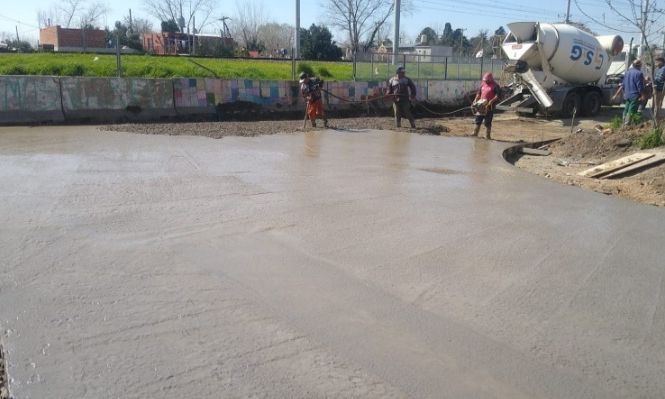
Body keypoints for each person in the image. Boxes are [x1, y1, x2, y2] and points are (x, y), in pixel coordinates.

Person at [471, 72, 500, 139]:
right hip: (480, 105)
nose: (486, 81)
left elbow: (497, 96)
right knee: (478, 119)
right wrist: (475, 100)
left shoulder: (495, 86)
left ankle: (487, 136)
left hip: (489, 106)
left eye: (487, 80)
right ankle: (475, 133)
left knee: (487, 121)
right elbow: (479, 93)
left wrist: (491, 101)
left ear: (490, 79)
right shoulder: (483, 84)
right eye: (485, 80)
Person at [620, 59, 645, 125]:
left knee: (626, 108)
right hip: (635, 95)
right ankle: (627, 124)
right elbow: (639, 85)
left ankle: (623, 122)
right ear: (639, 66)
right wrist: (642, 95)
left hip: (627, 94)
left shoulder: (627, 72)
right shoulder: (639, 73)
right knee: (632, 109)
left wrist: (624, 93)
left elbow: (623, 84)